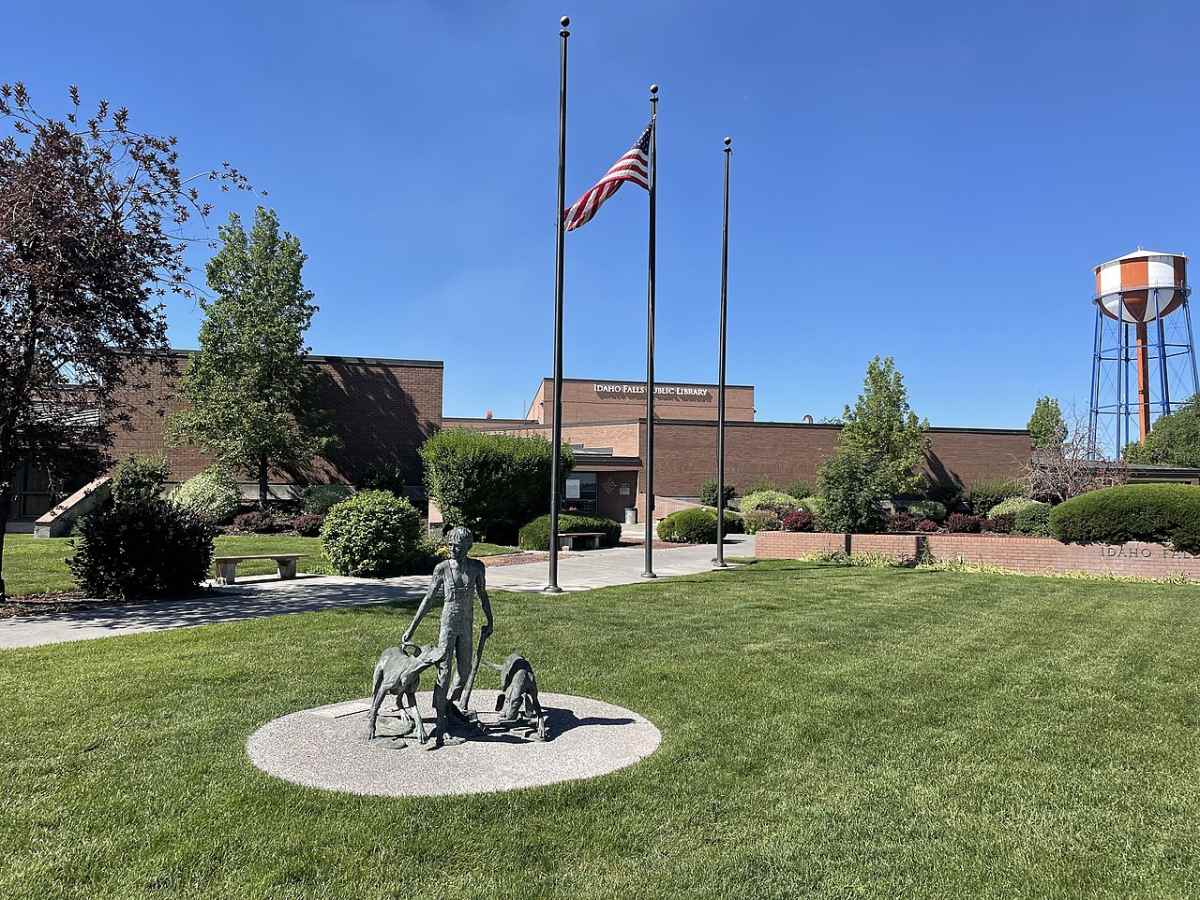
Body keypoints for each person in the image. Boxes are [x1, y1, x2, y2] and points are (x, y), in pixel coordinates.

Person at [402, 525, 494, 748]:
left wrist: (490, 620)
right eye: (450, 544)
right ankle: (441, 722)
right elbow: (428, 599)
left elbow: (482, 595)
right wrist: (411, 628)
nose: (452, 549)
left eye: (457, 546)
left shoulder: (476, 567)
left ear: (467, 547)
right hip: (448, 625)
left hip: (466, 625)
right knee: (444, 671)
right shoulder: (441, 569)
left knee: (463, 672)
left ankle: (449, 706)